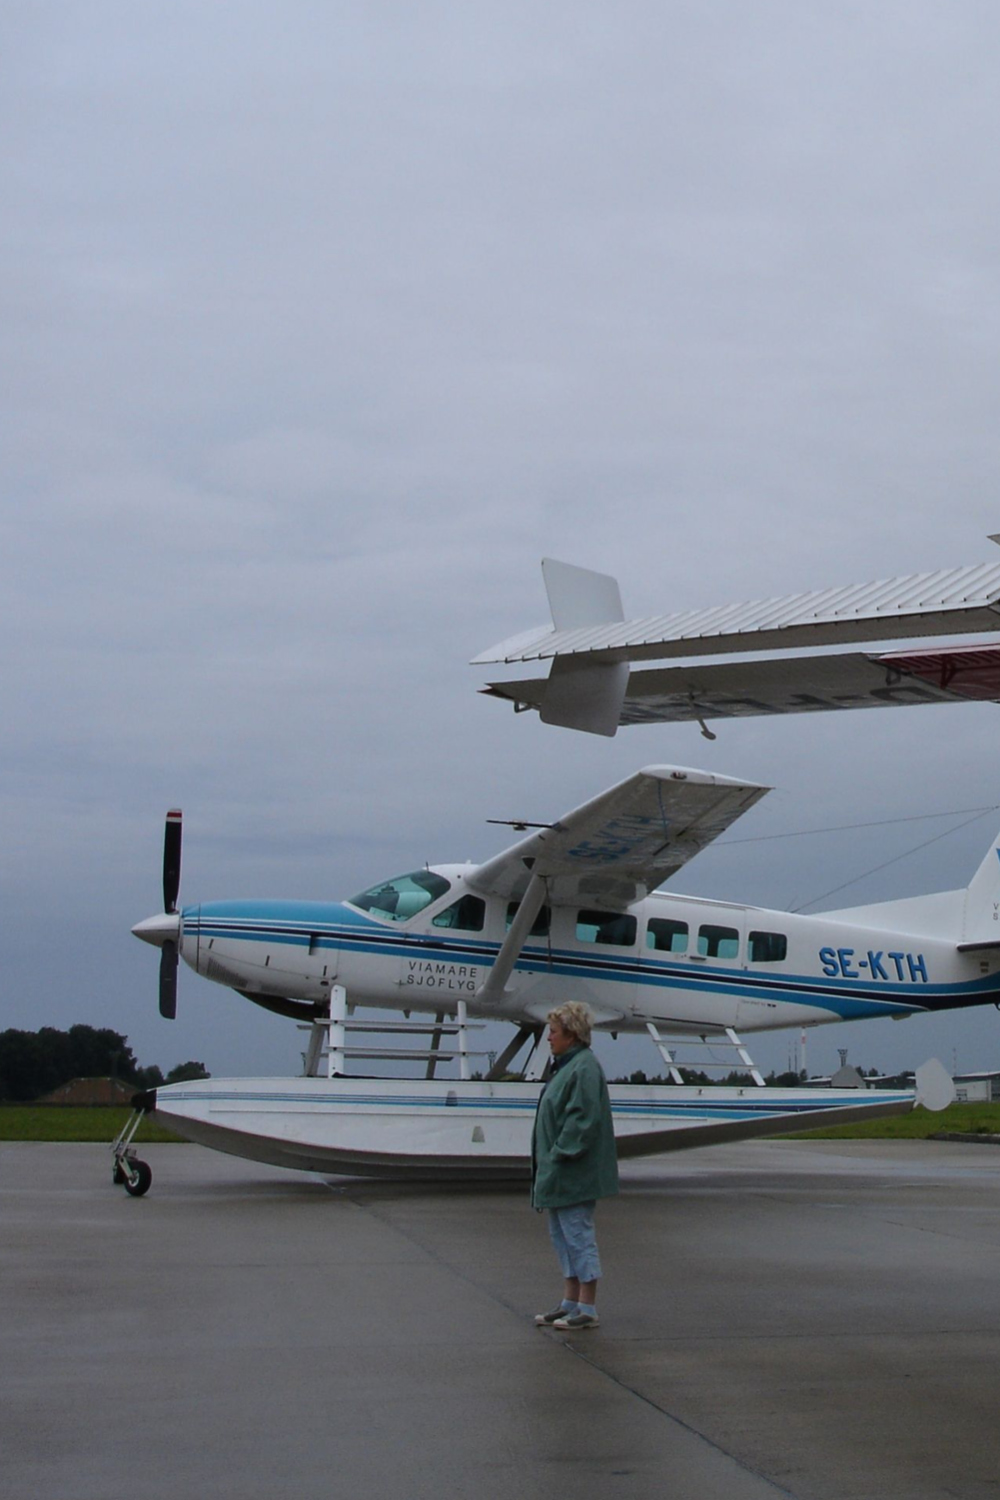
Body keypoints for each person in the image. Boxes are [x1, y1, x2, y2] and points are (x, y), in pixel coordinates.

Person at [531, 1001, 619, 1331]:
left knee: (578, 1235)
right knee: (562, 1237)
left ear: (571, 1035)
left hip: (572, 1173)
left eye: (553, 1032)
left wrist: (557, 1155)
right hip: (558, 1174)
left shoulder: (584, 1068)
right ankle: (569, 1301)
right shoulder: (567, 1066)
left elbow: (581, 1122)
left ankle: (588, 1306)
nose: (549, 1038)